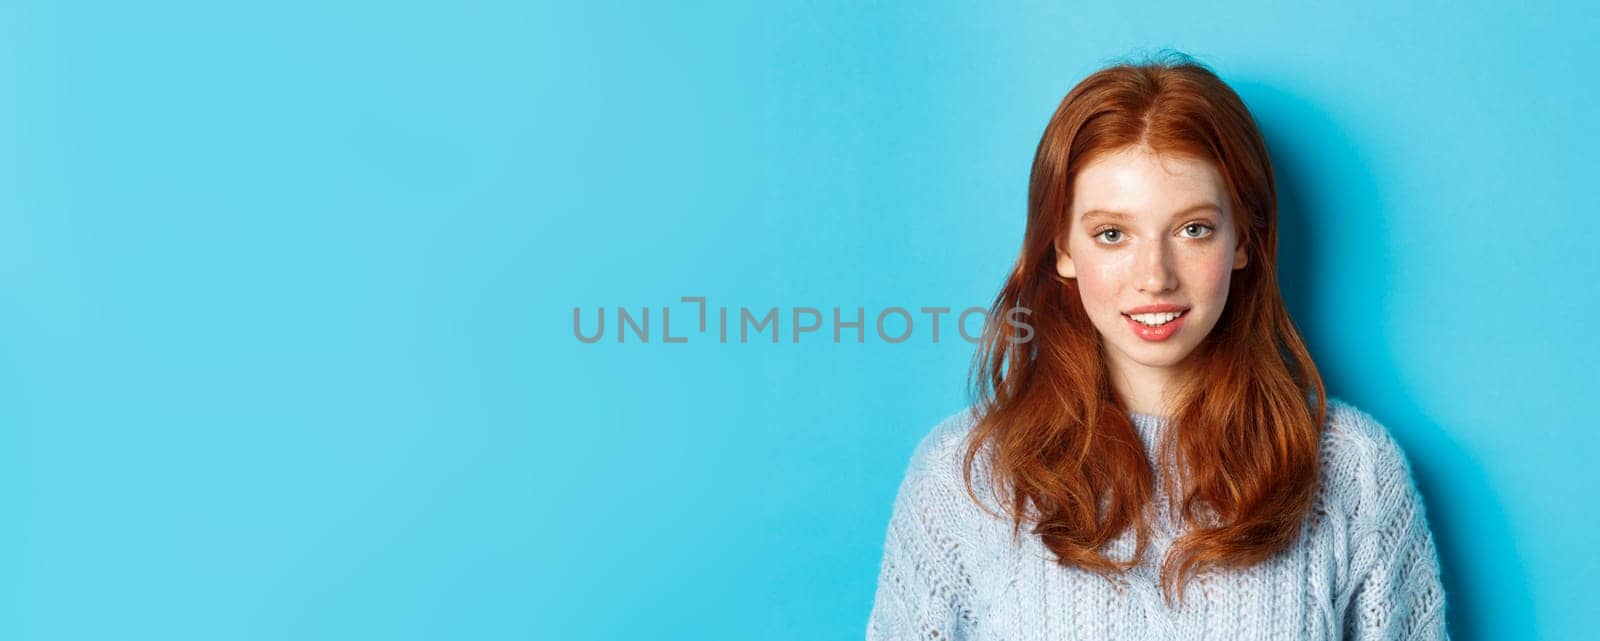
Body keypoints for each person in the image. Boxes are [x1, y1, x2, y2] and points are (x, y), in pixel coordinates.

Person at [865, 53, 1450, 640]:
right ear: (1062, 249)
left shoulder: (1352, 470)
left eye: (1193, 229)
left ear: (1244, 239)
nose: (1155, 276)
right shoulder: (964, 478)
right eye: (1112, 234)